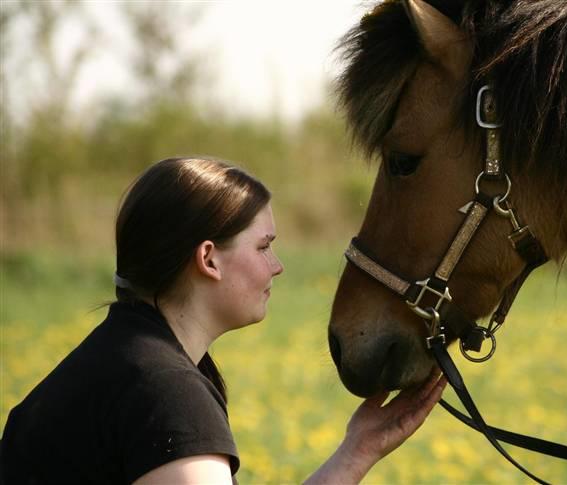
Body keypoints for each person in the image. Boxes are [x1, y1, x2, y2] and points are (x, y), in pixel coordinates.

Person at [0, 157, 447, 484]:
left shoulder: (120, 360)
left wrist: (358, 451)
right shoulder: (163, 394)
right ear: (209, 260)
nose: (277, 266)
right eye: (263, 246)